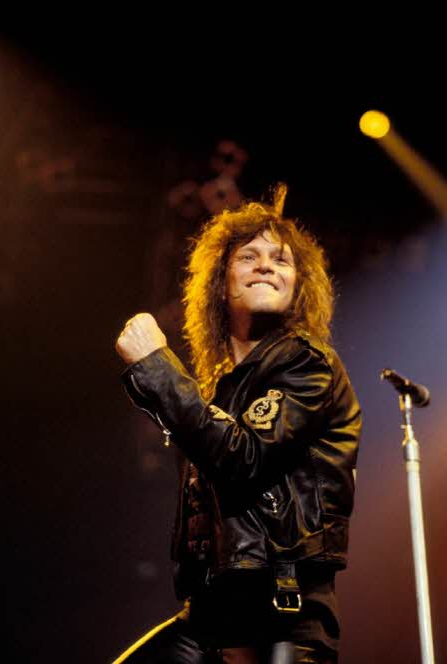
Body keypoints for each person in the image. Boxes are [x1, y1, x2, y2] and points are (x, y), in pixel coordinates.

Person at [114, 184, 362, 664]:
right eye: (249, 257)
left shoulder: (307, 364)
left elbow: (244, 458)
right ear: (219, 283)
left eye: (281, 260)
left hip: (280, 617)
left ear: (298, 286)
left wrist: (155, 366)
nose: (266, 266)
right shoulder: (222, 389)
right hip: (210, 617)